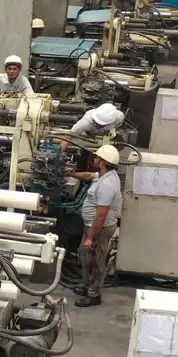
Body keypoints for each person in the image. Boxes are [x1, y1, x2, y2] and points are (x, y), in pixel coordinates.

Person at [66, 144, 122, 308]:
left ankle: (94, 294)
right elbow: (89, 175)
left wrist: (91, 237)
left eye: (97, 158)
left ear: (103, 162)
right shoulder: (105, 175)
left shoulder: (107, 185)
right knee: (85, 255)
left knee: (95, 262)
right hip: (92, 226)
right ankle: (86, 286)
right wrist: (69, 173)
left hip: (98, 229)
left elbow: (101, 215)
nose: (95, 159)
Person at [59, 102, 124, 152]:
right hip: (87, 134)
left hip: (105, 136)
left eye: (100, 124)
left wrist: (112, 131)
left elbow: (118, 126)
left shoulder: (119, 117)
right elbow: (68, 138)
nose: (96, 125)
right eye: (96, 122)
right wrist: (58, 153)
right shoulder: (85, 122)